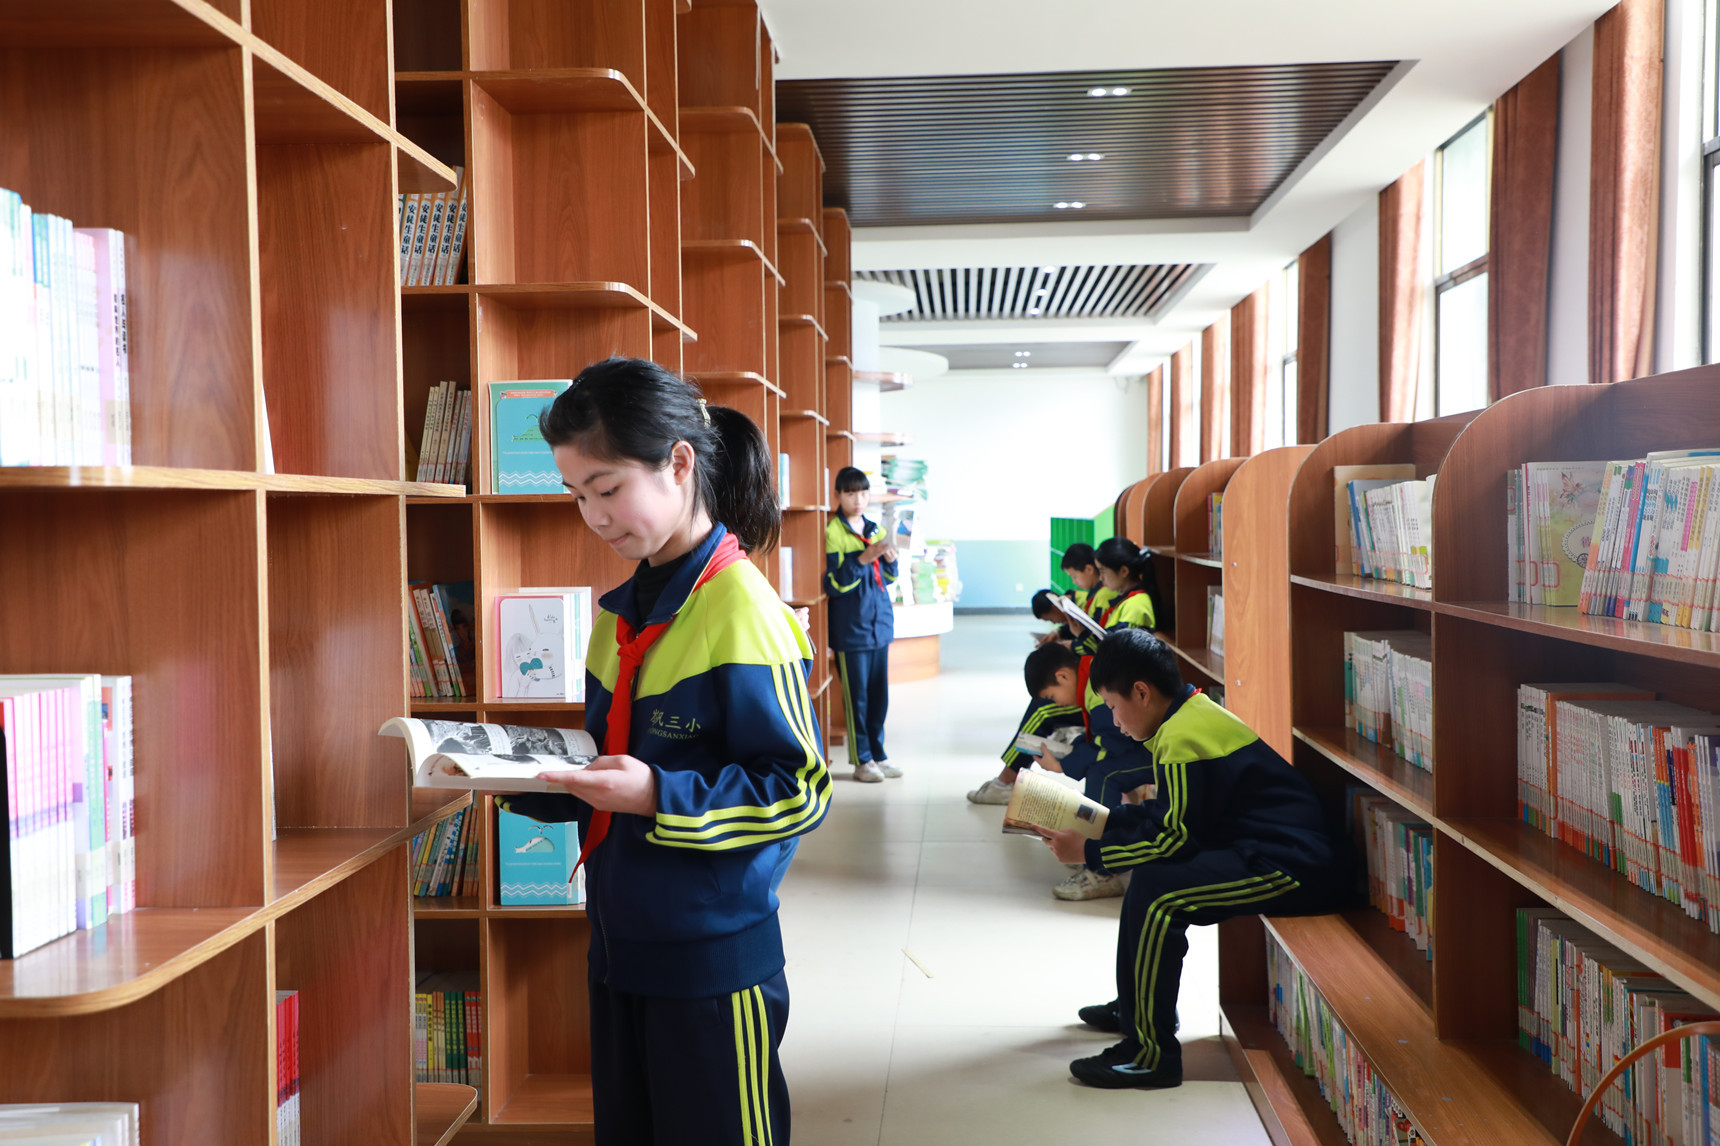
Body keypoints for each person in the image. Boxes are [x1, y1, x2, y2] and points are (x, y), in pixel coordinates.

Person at [496, 357, 831, 1145]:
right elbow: (612, 758)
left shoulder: (743, 610)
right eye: (577, 495)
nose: (594, 515)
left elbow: (801, 790)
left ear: (679, 464)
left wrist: (658, 795)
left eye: (607, 488)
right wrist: (519, 777)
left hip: (713, 960)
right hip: (621, 943)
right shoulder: (621, 614)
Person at [1036, 629, 1345, 1090]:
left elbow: (1175, 838)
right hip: (1258, 848)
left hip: (1292, 865)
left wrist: (1090, 852)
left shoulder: (1181, 736)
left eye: (1114, 707)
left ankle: (1151, 1055)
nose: (1114, 721)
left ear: (1142, 693)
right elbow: (1171, 815)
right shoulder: (1188, 714)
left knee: (1159, 894)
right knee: (1151, 881)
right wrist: (1103, 823)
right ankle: (1136, 1008)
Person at [1019, 642, 1155, 901]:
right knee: (1100, 769)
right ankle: (1090, 849)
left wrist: (1063, 765)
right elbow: (1105, 736)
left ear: (1063, 676)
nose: (1057, 704)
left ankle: (1100, 872)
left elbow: (1113, 743)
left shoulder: (1096, 684)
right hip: (1147, 741)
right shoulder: (1091, 671)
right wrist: (1073, 753)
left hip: (1161, 750)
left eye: (1052, 697)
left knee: (1103, 775)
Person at [824, 465, 899, 782]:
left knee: (879, 697)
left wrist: (892, 562)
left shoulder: (875, 530)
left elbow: (888, 579)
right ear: (838, 495)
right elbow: (833, 584)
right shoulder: (833, 532)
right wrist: (862, 559)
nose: (858, 500)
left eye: (863, 493)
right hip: (851, 629)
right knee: (858, 698)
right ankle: (861, 761)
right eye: (851, 493)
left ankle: (878, 755)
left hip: (879, 625)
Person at [1093, 536, 1161, 632]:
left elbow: (1120, 641)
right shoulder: (1126, 599)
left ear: (1124, 571)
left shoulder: (1135, 605)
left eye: (1103, 571)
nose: (1100, 578)